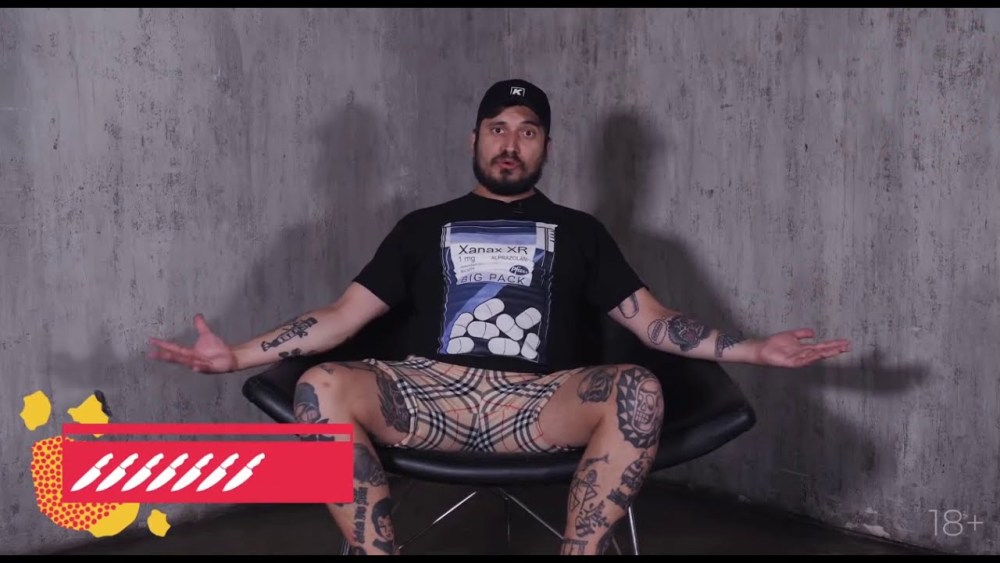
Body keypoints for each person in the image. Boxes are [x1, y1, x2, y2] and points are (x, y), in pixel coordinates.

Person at [148, 78, 851, 555]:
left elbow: (652, 321)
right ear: (474, 139)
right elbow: (339, 317)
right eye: (498, 129)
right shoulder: (422, 228)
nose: (510, 143)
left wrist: (755, 350)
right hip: (429, 393)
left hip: (541, 402)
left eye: (528, 131)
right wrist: (235, 357)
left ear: (546, 147)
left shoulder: (581, 233)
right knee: (320, 385)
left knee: (639, 387)